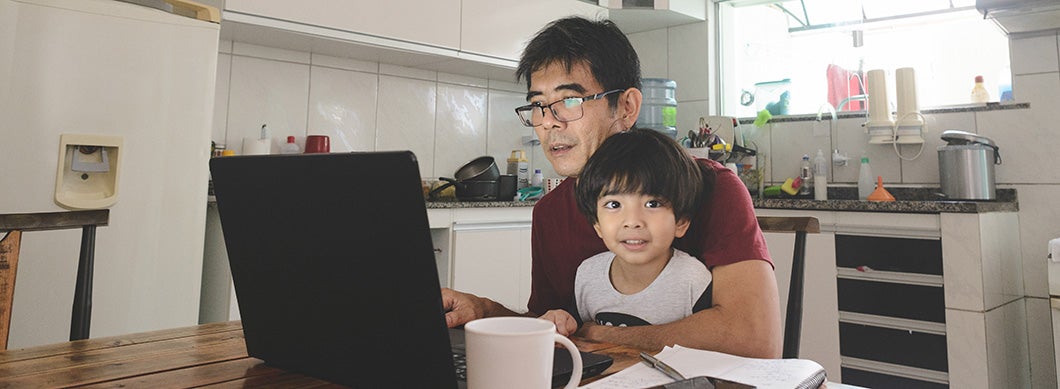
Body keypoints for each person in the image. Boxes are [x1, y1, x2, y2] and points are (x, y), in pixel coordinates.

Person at [441, 16, 781, 358]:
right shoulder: (550, 211)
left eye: (569, 101)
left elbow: (754, 339)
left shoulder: (712, 187)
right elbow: (557, 328)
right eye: (537, 105)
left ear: (627, 106)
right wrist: (486, 311)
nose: (547, 122)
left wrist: (600, 333)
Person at [538, 128, 714, 335]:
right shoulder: (588, 275)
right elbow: (575, 332)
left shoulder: (693, 280)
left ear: (681, 222)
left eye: (652, 203)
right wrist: (560, 321)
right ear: (597, 225)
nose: (632, 221)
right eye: (613, 205)